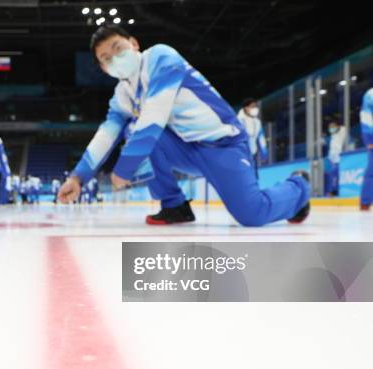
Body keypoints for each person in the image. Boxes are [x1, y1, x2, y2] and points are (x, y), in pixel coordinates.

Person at [58, 25, 310, 226]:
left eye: (118, 48)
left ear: (134, 44)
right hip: (186, 149)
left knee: (252, 214)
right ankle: (174, 206)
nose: (115, 59)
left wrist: (124, 168)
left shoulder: (161, 57)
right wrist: (78, 177)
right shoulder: (122, 94)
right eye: (106, 58)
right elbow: (106, 134)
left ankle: (298, 187)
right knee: (130, 128)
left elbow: (153, 117)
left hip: (224, 146)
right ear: (104, 69)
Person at [237, 98, 268, 176]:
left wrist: (264, 151)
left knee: (254, 175)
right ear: (246, 108)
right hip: (241, 154)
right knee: (243, 176)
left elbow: (261, 137)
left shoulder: (257, 122)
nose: (255, 109)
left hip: (253, 154)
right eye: (252, 106)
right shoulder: (238, 120)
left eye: (256, 106)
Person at [324, 120, 347, 196]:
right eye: (330, 127)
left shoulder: (342, 131)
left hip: (340, 158)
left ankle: (334, 191)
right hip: (333, 160)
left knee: (335, 174)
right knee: (332, 175)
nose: (331, 128)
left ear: (337, 126)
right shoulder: (332, 136)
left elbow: (342, 128)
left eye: (333, 126)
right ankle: (333, 191)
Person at [360, 88, 373, 211]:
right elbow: (366, 116)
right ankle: (365, 201)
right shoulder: (370, 94)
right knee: (372, 171)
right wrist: (369, 138)